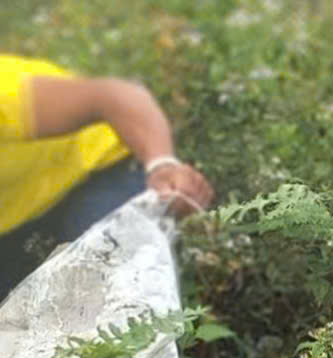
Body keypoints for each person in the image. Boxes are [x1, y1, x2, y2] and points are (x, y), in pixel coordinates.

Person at [0, 55, 215, 298]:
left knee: (95, 291)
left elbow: (113, 97)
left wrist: (162, 165)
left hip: (100, 168)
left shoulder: (6, 91)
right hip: (21, 215)